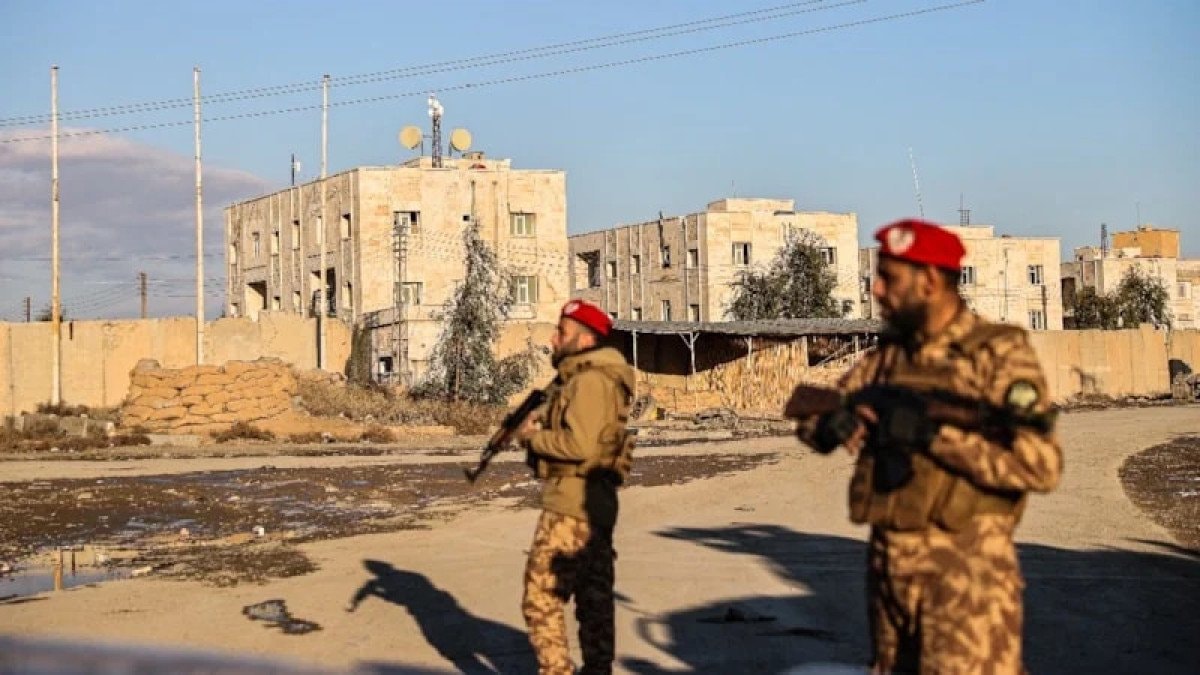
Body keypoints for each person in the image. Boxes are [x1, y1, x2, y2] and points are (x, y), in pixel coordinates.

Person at [796, 218, 1062, 673]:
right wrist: (833, 423)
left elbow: (1039, 464)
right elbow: (817, 411)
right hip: (890, 571)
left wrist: (934, 437)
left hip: (967, 577)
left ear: (930, 282)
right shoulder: (888, 358)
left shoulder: (996, 353)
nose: (877, 289)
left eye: (889, 278)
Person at [514, 298, 636, 675]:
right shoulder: (592, 377)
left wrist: (533, 438)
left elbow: (580, 445)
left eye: (561, 332)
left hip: (571, 506)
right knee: (593, 600)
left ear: (584, 340)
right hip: (594, 504)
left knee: (541, 599)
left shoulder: (589, 381)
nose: (553, 339)